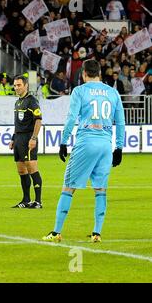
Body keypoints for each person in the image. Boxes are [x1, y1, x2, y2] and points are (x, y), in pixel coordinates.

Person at [42, 59, 125, 243]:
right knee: (101, 189)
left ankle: (56, 232)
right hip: (105, 145)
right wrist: (118, 147)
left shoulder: (80, 91)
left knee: (68, 187)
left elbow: (72, 117)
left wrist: (63, 142)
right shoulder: (113, 92)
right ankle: (97, 232)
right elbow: (120, 122)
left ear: (84, 74)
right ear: (100, 74)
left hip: (86, 142)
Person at [9, 75, 43, 209]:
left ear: (26, 85)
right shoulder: (17, 102)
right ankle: (26, 200)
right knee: (21, 170)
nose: (16, 88)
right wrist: (13, 138)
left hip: (28, 138)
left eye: (19, 85)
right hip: (18, 139)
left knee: (32, 167)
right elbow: (18, 123)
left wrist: (33, 138)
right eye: (15, 85)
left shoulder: (32, 101)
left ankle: (38, 201)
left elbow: (38, 120)